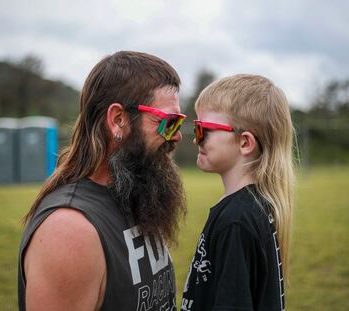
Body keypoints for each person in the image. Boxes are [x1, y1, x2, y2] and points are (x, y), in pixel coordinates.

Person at [18, 51, 187, 311]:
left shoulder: (136, 195)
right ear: (118, 120)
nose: (176, 137)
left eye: (178, 124)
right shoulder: (69, 230)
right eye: (168, 122)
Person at [181, 74, 295, 311]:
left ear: (245, 143)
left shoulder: (237, 220)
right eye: (196, 129)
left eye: (204, 130)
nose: (196, 140)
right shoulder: (250, 207)